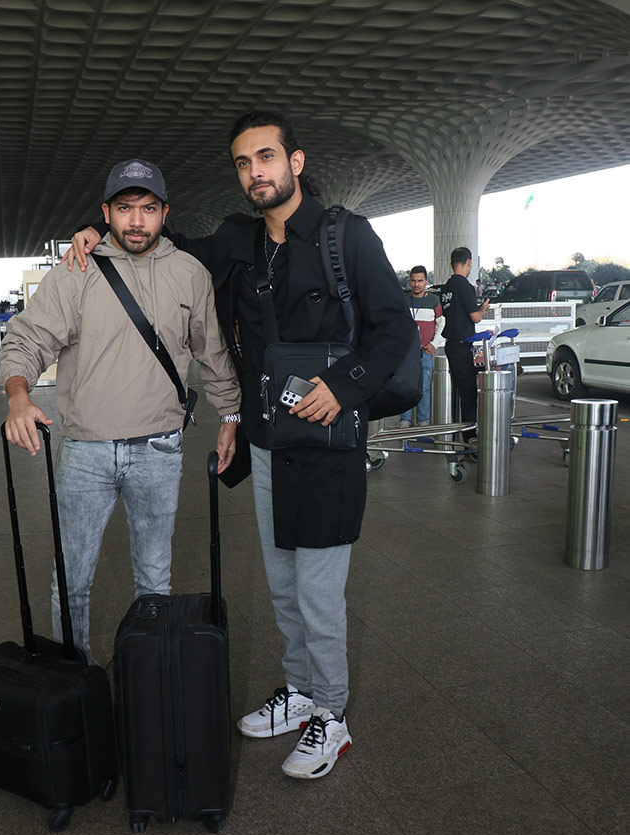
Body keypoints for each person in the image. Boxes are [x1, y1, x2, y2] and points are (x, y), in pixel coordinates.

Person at [68, 110, 413, 780]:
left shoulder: (348, 236)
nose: (256, 172)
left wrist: (344, 386)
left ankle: (332, 716)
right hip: (267, 441)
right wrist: (98, 232)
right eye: (243, 163)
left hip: (328, 442)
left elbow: (394, 329)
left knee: (318, 592)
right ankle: (301, 689)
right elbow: (166, 245)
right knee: (284, 587)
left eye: (267, 157)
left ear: (296, 162)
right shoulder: (236, 242)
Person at [0, 158, 241, 664]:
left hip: (159, 447)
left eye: (148, 209)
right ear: (106, 212)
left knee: (154, 580)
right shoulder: (77, 271)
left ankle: (148, 689)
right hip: (85, 450)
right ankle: (75, 685)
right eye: (125, 208)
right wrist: (18, 395)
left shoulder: (189, 273)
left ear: (164, 212)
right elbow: (26, 340)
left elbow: (212, 353)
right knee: (72, 579)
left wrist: (231, 416)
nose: (136, 221)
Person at [441, 246, 490, 433]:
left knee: (456, 392)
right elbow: (475, 317)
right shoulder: (465, 286)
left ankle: (455, 430)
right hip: (463, 347)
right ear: (469, 263)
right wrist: (484, 307)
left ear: (451, 264)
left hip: (450, 345)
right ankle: (470, 437)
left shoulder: (446, 288)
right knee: (469, 394)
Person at [398, 265, 444, 428]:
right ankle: (405, 419)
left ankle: (423, 420)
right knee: (405, 385)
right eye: (413, 281)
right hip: (406, 352)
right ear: (409, 281)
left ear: (426, 282)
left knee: (424, 387)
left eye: (420, 281)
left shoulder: (433, 300)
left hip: (426, 351)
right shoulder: (402, 299)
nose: (416, 284)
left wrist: (434, 344)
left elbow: (442, 324)